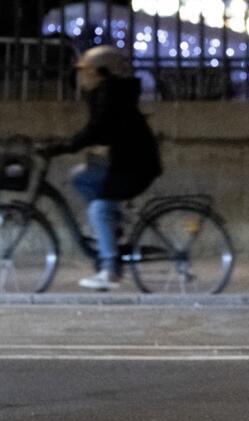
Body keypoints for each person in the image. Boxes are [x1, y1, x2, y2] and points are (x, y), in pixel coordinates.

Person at [42, 45, 163, 291]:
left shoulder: (111, 95)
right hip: (124, 163)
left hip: (133, 167)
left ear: (101, 72)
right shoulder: (107, 92)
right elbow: (99, 129)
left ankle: (110, 270)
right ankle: (113, 225)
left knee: (98, 210)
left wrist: (65, 147)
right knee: (80, 178)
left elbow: (97, 129)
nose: (81, 77)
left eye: (87, 72)